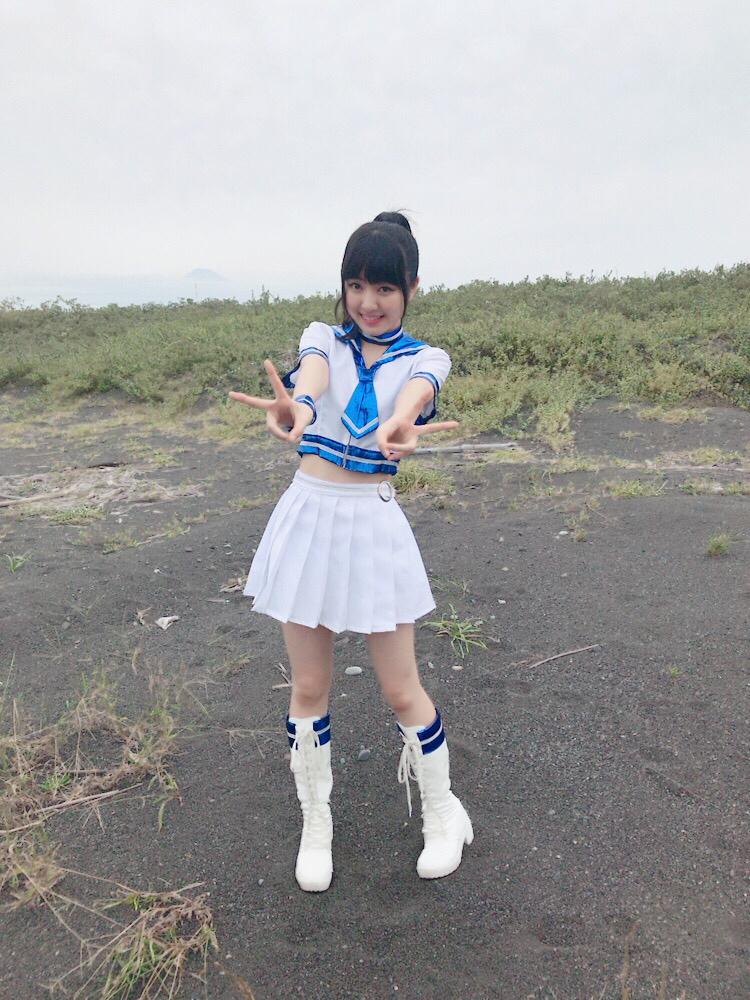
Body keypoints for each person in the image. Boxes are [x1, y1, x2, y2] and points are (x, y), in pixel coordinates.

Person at [229, 212, 473, 892]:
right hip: (308, 517)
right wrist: (299, 409)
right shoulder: (323, 339)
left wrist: (403, 420)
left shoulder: (426, 359)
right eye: (356, 285)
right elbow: (310, 379)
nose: (368, 301)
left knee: (400, 687)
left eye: (385, 288)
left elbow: (417, 396)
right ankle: (317, 825)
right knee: (309, 685)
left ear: (411, 289)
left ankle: (442, 813)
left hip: (372, 523)